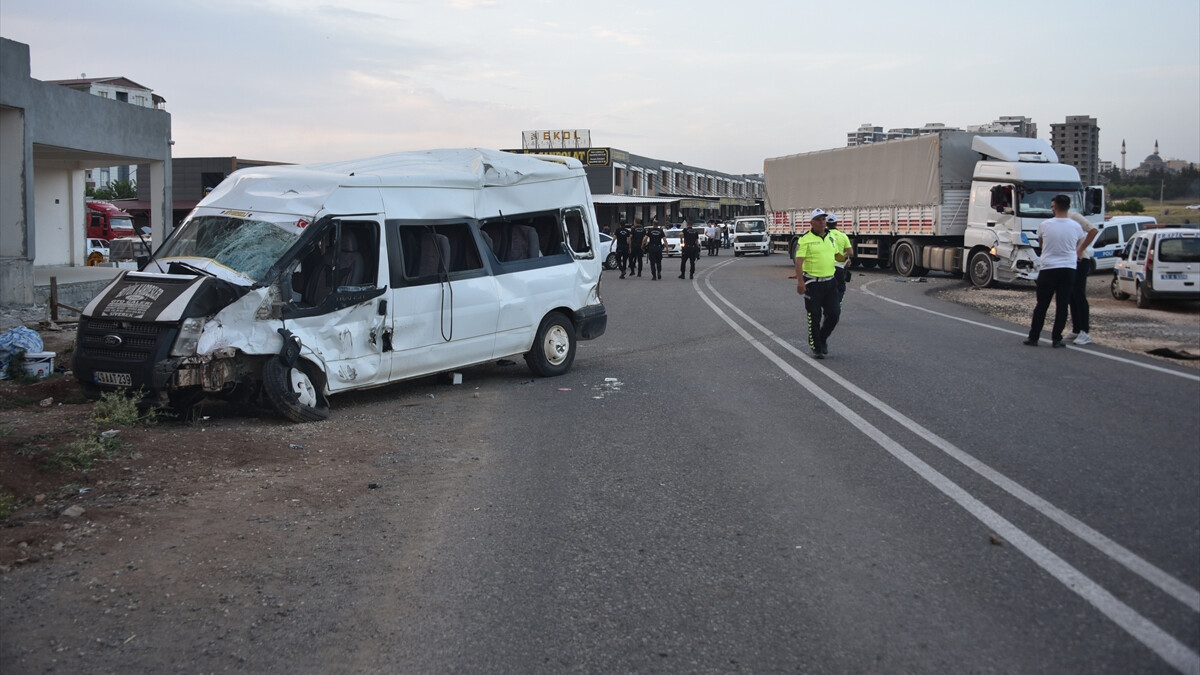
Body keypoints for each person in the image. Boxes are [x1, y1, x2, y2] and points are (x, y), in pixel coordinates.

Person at [1024, 195, 1085, 348]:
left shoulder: (1045, 225)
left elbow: (1041, 243)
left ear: (1055, 207)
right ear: (1068, 207)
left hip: (1049, 267)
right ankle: (1056, 338)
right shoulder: (1076, 226)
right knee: (1062, 304)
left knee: (1042, 304)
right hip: (1068, 268)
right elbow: (1077, 243)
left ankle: (1034, 337)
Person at [794, 209, 841, 358]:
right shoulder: (805, 239)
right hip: (813, 283)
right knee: (814, 316)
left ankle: (822, 337)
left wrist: (846, 258)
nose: (822, 222)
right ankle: (816, 347)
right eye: (818, 219)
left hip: (830, 282)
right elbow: (799, 261)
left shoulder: (831, 237)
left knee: (834, 314)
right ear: (812, 223)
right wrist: (800, 282)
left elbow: (835, 255)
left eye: (823, 219)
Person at [1064, 211, 1099, 345]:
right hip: (1068, 261)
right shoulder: (1057, 221)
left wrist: (1080, 249)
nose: (1052, 209)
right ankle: (1076, 329)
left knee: (1079, 294)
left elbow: (1093, 230)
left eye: (1054, 206)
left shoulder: (1073, 217)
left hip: (1081, 260)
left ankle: (1085, 331)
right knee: (1071, 296)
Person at [826, 214, 853, 303]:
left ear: (826, 224)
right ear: (836, 223)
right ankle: (837, 306)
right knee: (840, 289)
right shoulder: (843, 236)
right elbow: (850, 252)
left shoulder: (824, 236)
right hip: (839, 268)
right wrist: (844, 258)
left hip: (825, 268)